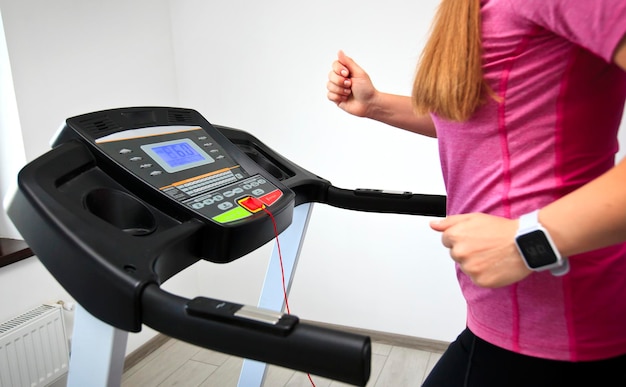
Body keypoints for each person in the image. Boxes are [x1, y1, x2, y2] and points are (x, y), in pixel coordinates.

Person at [327, 0, 626, 385]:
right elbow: (479, 120)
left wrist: (530, 240)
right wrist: (376, 105)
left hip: (563, 323)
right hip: (506, 318)